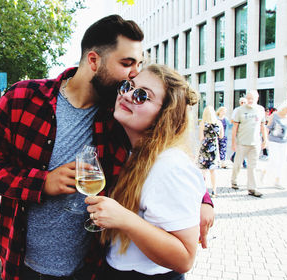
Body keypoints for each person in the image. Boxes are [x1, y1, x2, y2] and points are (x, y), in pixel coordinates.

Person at [0, 15, 214, 280]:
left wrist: (203, 200)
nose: (134, 74)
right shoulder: (23, 97)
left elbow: (165, 152)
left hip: (89, 269)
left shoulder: (120, 114)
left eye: (139, 64)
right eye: (126, 63)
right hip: (22, 264)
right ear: (94, 60)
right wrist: (41, 182)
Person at [85, 64, 205, 280]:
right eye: (127, 86)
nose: (127, 95)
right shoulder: (137, 152)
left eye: (142, 95)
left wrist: (124, 219)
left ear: (164, 115)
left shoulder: (170, 165)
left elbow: (185, 259)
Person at [231, 90, 267, 197]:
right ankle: (234, 180)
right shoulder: (240, 110)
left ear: (257, 98)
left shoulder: (260, 110)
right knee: (237, 164)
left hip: (255, 143)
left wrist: (265, 139)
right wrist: (234, 142)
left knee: (253, 166)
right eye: (248, 98)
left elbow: (262, 126)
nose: (250, 100)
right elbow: (235, 127)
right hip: (242, 142)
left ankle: (252, 188)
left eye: (252, 98)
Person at [198, 106, 224, 197]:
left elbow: (200, 138)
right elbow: (221, 136)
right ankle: (214, 190)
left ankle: (203, 191)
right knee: (213, 171)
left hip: (205, 149)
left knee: (203, 171)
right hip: (214, 149)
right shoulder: (219, 123)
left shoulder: (203, 123)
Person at [264, 100, 287, 189]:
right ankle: (265, 172)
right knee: (274, 161)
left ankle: (278, 180)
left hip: (284, 142)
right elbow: (267, 128)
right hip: (273, 141)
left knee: (282, 162)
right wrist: (265, 140)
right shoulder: (274, 116)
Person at [230, 97, 247, 168]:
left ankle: (234, 156)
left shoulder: (248, 110)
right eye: (241, 102)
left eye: (244, 102)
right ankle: (244, 162)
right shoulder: (236, 110)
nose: (243, 104)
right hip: (238, 131)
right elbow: (232, 120)